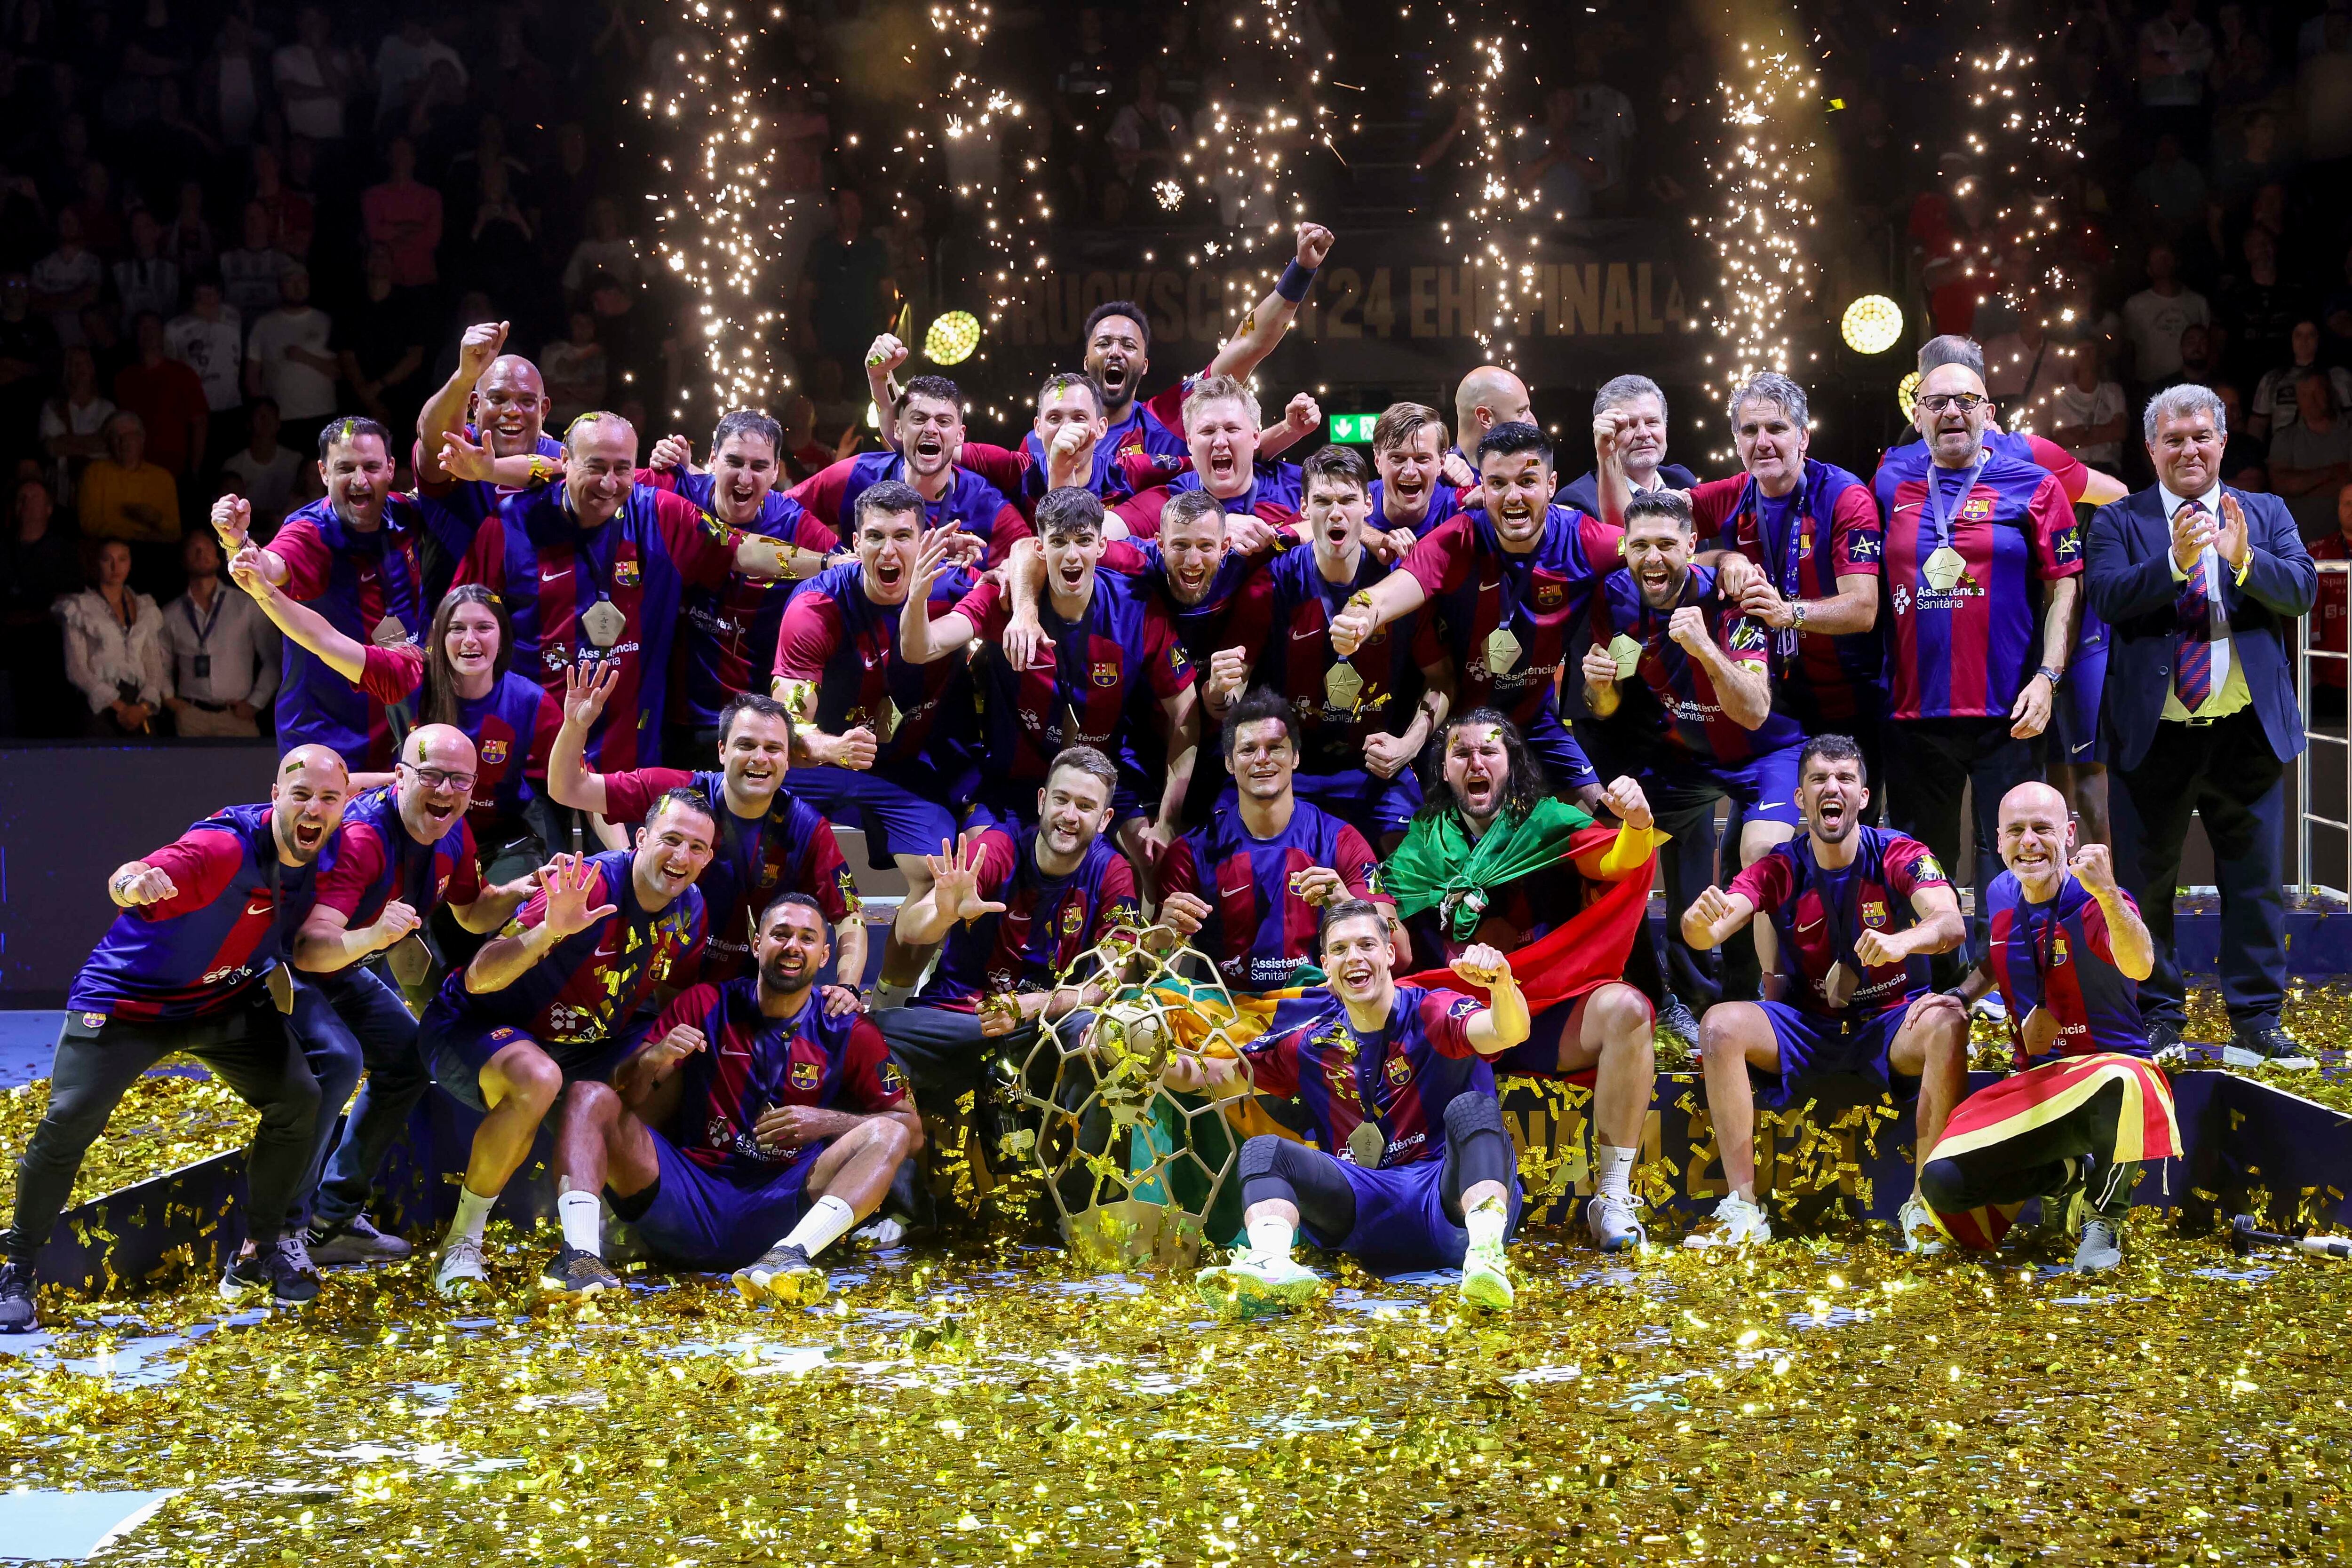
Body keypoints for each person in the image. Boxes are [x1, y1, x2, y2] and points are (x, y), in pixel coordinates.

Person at [0, 746, 354, 1330]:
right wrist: (133, 885)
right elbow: (129, 875)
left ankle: (262, 1246)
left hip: (222, 1001)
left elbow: (367, 787)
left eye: (328, 798)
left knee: (298, 1100)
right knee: (69, 1122)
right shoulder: (223, 847)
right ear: (274, 797)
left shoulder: (335, 839)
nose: (314, 807)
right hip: (127, 1007)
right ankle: (17, 1265)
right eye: (300, 795)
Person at [2085, 383, 2317, 1060]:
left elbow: (2301, 591)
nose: (2189, 449)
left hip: (2246, 728)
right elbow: (2106, 598)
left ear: (2221, 442)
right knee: (2146, 881)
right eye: (2174, 438)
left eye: (2201, 436)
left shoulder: (2265, 512)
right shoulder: (2120, 521)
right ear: (2151, 448)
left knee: (2255, 881)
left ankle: (2256, 1016)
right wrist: (2173, 565)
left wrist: (2243, 560)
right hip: (2153, 733)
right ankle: (2157, 1012)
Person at [539, 893, 923, 1299]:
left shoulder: (844, 1027)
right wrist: (656, 1057)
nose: (793, 946)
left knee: (889, 1132)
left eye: (807, 938)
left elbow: (911, 1132)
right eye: (780, 934)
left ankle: (791, 1257)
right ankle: (580, 1258)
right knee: (587, 1095)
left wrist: (825, 1122)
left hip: (784, 1204)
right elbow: (625, 1094)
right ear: (757, 944)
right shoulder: (704, 1002)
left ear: (825, 955)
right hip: (689, 1194)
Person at [1383, 711, 1665, 1250]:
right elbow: (1384, 908)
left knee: (1628, 1011)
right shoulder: (1422, 841)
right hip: (1459, 1028)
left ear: (1511, 763)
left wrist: (1635, 826)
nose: (1475, 761)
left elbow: (1613, 862)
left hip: (1543, 1014)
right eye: (1460, 753)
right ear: (1443, 770)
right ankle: (1407, 1198)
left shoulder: (1549, 820)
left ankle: (1609, 1196)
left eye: (1488, 751)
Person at [415, 792, 715, 1296]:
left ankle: (618, 1227)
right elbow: (479, 978)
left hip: (587, 1042)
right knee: (539, 1078)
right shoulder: (589, 884)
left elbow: (673, 996)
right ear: (640, 839)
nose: (681, 857)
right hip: (477, 1026)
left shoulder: (690, 911)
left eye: (697, 847)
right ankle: (462, 1240)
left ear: (708, 859)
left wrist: (658, 1054)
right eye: (670, 839)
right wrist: (548, 932)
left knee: (687, 1058)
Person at [1678, 734, 1971, 1251]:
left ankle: (1925, 1206)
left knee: (1947, 1022)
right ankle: (1743, 1209)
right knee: (1719, 1026)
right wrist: (1696, 925)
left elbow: (1949, 923)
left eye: (1843, 779)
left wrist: (1900, 942)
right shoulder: (1779, 867)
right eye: (1817, 779)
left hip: (1889, 1021)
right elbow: (1713, 928)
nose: (1830, 788)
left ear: (1862, 796)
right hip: (1807, 1025)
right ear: (1799, 799)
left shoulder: (1899, 853)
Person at [1164, 903, 1527, 1314]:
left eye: (1367, 945)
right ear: (1325, 966)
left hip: (1447, 1208)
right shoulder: (1309, 1043)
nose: (1354, 958)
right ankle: (1271, 1266)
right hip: (1366, 1209)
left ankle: (1486, 1256)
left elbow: (1506, 1031)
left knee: (1474, 1109)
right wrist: (1139, 1054)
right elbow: (1209, 1076)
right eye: (1340, 950)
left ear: (1390, 954)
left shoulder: (1433, 1012)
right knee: (1264, 1152)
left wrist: (1501, 986)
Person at [1872, 359, 2081, 984]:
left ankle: (2010, 981)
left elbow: (2065, 590)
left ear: (1990, 412)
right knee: (1923, 862)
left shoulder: (2037, 486)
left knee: (2014, 857)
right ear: (1918, 417)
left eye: (1966, 400)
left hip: (2009, 714)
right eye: (1936, 403)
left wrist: (2047, 677)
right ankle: (1936, 988)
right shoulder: (1889, 485)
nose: (1952, 413)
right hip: (1913, 714)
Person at [447, 409, 802, 773]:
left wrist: (829, 564)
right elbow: (455, 626)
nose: (609, 483)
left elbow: (743, 549)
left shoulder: (657, 511)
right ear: (565, 461)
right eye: (597, 467)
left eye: (622, 469)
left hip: (629, 763)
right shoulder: (510, 523)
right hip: (533, 762)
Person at [293, 727, 532, 1264]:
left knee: (405, 1060)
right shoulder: (362, 840)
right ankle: (283, 1232)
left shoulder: (454, 834)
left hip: (347, 964)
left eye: (458, 780)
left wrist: (520, 894)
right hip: (289, 969)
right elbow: (309, 948)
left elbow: (473, 912)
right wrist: (376, 937)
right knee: (335, 1064)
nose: (445, 791)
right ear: (400, 775)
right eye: (430, 776)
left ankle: (333, 1216)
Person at [1925, 782, 2177, 1273]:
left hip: (2107, 1076)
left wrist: (2106, 892)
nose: (2028, 842)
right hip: (2037, 1084)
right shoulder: (1999, 893)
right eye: (2015, 831)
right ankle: (2066, 1177)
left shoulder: (2094, 898)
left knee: (2123, 1079)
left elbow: (2141, 963)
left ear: (2067, 834)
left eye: (2041, 829)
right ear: (1995, 840)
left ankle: (2102, 1220)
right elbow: (2003, 957)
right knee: (1943, 1181)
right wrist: (1961, 995)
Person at [1332, 421, 1620, 809]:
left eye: (1528, 481)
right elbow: (1388, 593)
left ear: (1551, 485)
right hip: (1458, 729)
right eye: (1498, 483)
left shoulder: (1585, 540)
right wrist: (1361, 614)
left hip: (1535, 722)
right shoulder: (1458, 539)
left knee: (1609, 817)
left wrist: (1725, 562)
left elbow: (1658, 553)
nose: (1513, 496)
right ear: (1482, 489)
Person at [1585, 490, 1800, 1006]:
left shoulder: (1732, 598)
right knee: (1606, 845)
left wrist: (1704, 648)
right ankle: (1649, 999)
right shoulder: (1616, 597)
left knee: (1761, 854)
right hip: (1686, 761)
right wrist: (1602, 688)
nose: (1652, 558)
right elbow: (1607, 706)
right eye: (1639, 546)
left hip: (1763, 757)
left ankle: (1779, 1004)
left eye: (1665, 544)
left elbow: (1752, 711)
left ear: (1691, 544)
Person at [771, 481, 984, 999]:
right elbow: (785, 722)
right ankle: (760, 996)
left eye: (903, 537)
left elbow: (1019, 572)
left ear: (925, 539)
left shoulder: (955, 590)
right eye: (875, 537)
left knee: (938, 881)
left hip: (904, 769)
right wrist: (828, 748)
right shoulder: (816, 607)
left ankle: (888, 1003)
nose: (889, 552)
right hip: (820, 766)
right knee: (749, 847)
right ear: (854, 542)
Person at [915, 489, 1201, 858]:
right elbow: (923, 648)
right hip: (1012, 781)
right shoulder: (1002, 599)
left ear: (1101, 546)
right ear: (1041, 548)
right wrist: (918, 598)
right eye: (1059, 542)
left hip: (1101, 780)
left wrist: (1167, 820)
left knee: (1154, 858)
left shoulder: (1138, 607)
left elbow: (1187, 711)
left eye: (1083, 541)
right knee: (974, 869)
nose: (1071, 554)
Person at [550, 665, 864, 990]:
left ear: (787, 760)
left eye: (773, 749)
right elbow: (569, 789)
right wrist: (575, 727)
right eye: (746, 745)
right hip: (652, 984)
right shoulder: (677, 792)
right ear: (722, 750)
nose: (760, 758)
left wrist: (849, 987)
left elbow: (850, 915)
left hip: (749, 989)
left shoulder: (807, 828)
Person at [879, 746, 1141, 1102]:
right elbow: (910, 930)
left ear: (1105, 819)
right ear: (1042, 801)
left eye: (1085, 806)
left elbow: (1110, 982)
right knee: (872, 1035)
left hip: (1044, 1025)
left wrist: (1033, 1005)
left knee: (1098, 1036)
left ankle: (1082, 1159)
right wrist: (945, 913)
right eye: (1061, 800)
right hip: (964, 1015)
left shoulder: (1113, 873)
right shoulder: (997, 847)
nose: (1069, 815)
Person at [1206, 446, 1438, 847]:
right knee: (1227, 842)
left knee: (1415, 873)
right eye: (1323, 501)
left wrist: (1409, 745)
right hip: (1292, 767)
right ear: (1302, 508)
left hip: (1376, 767)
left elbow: (1443, 678)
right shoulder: (1272, 584)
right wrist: (1218, 692)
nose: (1336, 513)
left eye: (1348, 500)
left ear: (1368, 504)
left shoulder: (1398, 585)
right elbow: (1228, 696)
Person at [209, 417, 454, 769]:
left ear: (390, 469)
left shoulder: (407, 514)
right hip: (327, 732)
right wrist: (236, 542)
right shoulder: (310, 532)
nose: (359, 480)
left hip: (402, 721)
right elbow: (268, 566)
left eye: (371, 467)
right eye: (345, 468)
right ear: (324, 472)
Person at [1158, 688, 1405, 991]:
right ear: (1229, 763)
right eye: (1248, 750)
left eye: (1275, 748)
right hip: (1226, 1016)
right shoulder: (1190, 852)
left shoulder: (1343, 841)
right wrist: (1164, 936)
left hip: (1319, 1011)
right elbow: (1160, 973)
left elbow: (1401, 953)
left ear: (1296, 757)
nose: (1262, 759)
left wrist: (1350, 906)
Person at [636, 408, 840, 763]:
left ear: (776, 471)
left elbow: (852, 569)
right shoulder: (673, 488)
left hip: (752, 729)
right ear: (712, 459)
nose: (745, 478)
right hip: (667, 718)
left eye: (760, 466)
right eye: (734, 461)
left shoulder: (795, 526)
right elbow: (600, 472)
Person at [1064, 222, 1335, 461]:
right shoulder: (1049, 433)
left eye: (1128, 345)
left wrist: (1301, 270)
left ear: (1145, 365)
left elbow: (1248, 343)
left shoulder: (1170, 416)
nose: (1115, 352)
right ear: (1086, 362)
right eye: (1103, 343)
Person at [789, 372, 1031, 565]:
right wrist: (830, 559)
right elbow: (776, 510)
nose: (931, 429)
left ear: (960, 435)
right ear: (897, 430)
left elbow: (1034, 557)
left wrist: (1008, 576)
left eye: (944, 421)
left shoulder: (989, 506)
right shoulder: (857, 475)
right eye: (919, 419)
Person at [162, 530, 277, 737]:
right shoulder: (172, 614)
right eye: (194, 550)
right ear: (183, 559)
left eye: (207, 549)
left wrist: (255, 703)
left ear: (217, 558)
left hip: (236, 715)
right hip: (191, 715)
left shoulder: (246, 606)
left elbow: (274, 659)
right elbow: (161, 662)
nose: (201, 554)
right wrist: (170, 699)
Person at [56, 537, 173, 736]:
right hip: (100, 705)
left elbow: (154, 665)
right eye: (107, 559)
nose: (115, 567)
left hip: (138, 703)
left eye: (122, 559)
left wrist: (143, 708)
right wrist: (120, 707)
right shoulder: (79, 607)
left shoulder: (145, 607)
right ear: (96, 564)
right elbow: (77, 670)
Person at [1558, 374, 1697, 519]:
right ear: (1604, 434)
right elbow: (1620, 541)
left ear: (1666, 428)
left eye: (1652, 422)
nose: (1643, 434)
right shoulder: (1578, 501)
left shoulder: (1683, 481)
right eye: (1630, 425)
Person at [242, 265, 338, 454]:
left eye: (302, 280)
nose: (297, 286)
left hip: (322, 413)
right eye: (290, 281)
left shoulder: (325, 321)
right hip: (280, 419)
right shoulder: (264, 325)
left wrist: (305, 357)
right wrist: (261, 415)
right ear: (280, 286)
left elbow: (339, 372)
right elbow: (252, 375)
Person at [112, 312, 209, 482]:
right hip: (134, 469)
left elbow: (199, 424)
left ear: (162, 334)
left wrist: (195, 469)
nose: (148, 333)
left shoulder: (183, 375)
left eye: (153, 328)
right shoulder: (124, 378)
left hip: (175, 472)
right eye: (143, 329)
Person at [77, 410, 183, 548]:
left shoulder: (163, 478)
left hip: (152, 551)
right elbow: (89, 523)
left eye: (130, 436)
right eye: (117, 437)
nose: (124, 442)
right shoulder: (95, 473)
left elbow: (174, 532)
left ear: (142, 439)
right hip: (107, 549)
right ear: (109, 443)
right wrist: (134, 535)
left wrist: (156, 519)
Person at [219, 396, 303, 535]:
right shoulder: (233, 466)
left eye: (271, 416)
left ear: (279, 423)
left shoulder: (295, 461)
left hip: (289, 529)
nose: (266, 421)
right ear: (249, 424)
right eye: (260, 417)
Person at [1448, 366, 1533, 471]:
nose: (1534, 423)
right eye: (1521, 412)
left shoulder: (1528, 464)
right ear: (1486, 418)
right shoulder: (1439, 483)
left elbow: (1539, 464)